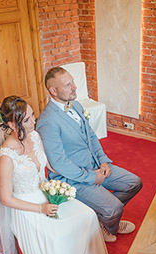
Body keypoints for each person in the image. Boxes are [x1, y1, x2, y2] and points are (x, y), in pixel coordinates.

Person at [0, 95, 126, 254]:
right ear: (12, 124)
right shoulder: (6, 157)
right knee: (57, 235)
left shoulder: (36, 136)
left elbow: (53, 166)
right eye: (28, 119)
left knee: (87, 215)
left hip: (48, 194)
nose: (34, 121)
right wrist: (40, 208)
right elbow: (6, 199)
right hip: (27, 206)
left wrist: (84, 176)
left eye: (33, 116)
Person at [36, 67, 143, 242]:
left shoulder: (76, 105)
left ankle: (105, 220)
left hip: (96, 166)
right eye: (67, 84)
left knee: (134, 183)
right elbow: (59, 162)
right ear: (53, 91)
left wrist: (103, 161)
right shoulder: (47, 121)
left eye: (72, 81)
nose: (74, 87)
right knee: (115, 208)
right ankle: (110, 222)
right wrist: (91, 177)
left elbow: (91, 136)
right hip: (73, 178)